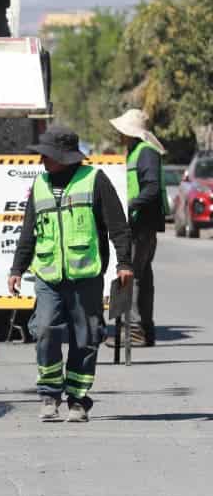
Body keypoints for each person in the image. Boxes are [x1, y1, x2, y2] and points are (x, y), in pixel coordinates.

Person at [7, 125, 132, 423]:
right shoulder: (39, 185)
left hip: (85, 276)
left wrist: (124, 263)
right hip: (48, 277)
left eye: (47, 155)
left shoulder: (94, 181)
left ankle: (78, 399)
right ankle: (49, 395)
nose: (42, 160)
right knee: (45, 329)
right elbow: (28, 234)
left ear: (65, 157)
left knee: (85, 338)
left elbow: (118, 226)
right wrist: (16, 269)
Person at [109, 108, 167, 347]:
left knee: (131, 276)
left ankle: (133, 331)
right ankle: (145, 331)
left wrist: (129, 204)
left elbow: (151, 188)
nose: (119, 136)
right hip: (139, 224)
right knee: (142, 278)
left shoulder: (145, 153)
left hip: (141, 225)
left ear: (130, 134)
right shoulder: (136, 152)